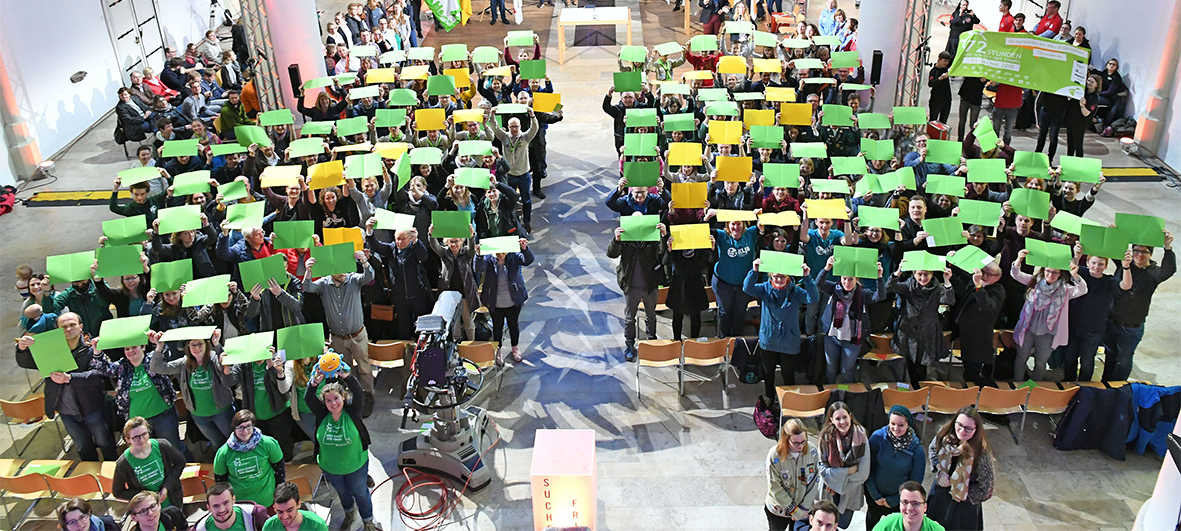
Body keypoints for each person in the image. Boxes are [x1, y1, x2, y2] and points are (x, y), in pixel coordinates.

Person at [15, 313, 116, 461]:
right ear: (58, 330)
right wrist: (22, 349)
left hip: (93, 407)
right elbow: (27, 362)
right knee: (82, 446)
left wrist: (70, 378)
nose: (69, 329)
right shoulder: (50, 349)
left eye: (72, 325)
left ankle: (113, 470)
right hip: (66, 410)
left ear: (80, 327)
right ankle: (89, 476)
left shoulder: (92, 348)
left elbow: (98, 375)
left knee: (105, 442)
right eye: (64, 327)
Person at [90, 333, 189, 459]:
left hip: (163, 416)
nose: (131, 351)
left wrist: (158, 343)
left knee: (173, 448)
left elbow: (165, 354)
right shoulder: (122, 366)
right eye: (127, 349)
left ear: (143, 347)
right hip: (138, 422)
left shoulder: (152, 359)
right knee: (148, 452)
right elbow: (104, 368)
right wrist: (97, 351)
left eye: (134, 347)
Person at [305, 364, 380, 531]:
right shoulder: (323, 414)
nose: (333, 403)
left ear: (344, 397)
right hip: (331, 467)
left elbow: (359, 393)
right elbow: (309, 399)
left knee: (360, 493)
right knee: (343, 493)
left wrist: (346, 376)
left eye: (336, 398)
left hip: (356, 466)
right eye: (328, 400)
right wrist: (314, 383)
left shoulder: (352, 411)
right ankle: (349, 513)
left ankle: (368, 521)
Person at [302, 249, 377, 414]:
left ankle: (368, 395)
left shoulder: (353, 280)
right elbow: (307, 287)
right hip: (337, 338)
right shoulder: (324, 283)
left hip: (357, 334)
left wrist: (364, 262)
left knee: (364, 367)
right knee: (344, 370)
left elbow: (369, 276)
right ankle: (349, 397)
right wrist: (308, 270)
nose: (342, 273)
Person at [744, 257, 817, 404]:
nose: (779, 279)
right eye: (776, 276)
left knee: (788, 373)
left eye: (783, 276)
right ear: (771, 276)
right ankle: (769, 396)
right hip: (768, 340)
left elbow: (813, 297)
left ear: (788, 277)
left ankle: (789, 399)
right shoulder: (764, 288)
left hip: (789, 342)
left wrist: (807, 277)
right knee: (768, 372)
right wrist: (754, 271)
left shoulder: (795, 292)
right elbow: (747, 288)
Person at [1104, 232, 1175, 381]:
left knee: (1123, 361)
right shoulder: (1125, 265)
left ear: (1150, 254)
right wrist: (1114, 233)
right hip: (1111, 321)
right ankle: (1106, 386)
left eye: (1144, 252)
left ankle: (1119, 388)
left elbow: (1169, 270)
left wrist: (1167, 248)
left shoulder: (1153, 273)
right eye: (1136, 250)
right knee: (1109, 356)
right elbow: (1111, 249)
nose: (1139, 255)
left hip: (1131, 327)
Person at [150, 329, 235, 450]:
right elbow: (157, 367)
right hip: (199, 415)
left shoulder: (213, 358)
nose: (197, 348)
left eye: (200, 344)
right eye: (193, 345)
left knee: (234, 440)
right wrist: (159, 347)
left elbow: (224, 364)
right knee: (218, 443)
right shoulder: (185, 363)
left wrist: (217, 344)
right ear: (188, 347)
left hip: (222, 412)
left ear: (206, 344)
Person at [1010, 249, 1087, 381]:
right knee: (1021, 358)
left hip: (1048, 332)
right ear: (1043, 271)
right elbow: (1016, 274)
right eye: (1048, 271)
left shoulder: (1065, 290)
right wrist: (1018, 260)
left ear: (1060, 274)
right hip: (1028, 328)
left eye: (1055, 272)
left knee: (1040, 362)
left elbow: (1083, 290)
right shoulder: (1034, 282)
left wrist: (1075, 275)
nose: (1051, 275)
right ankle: (1017, 385)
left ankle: (1033, 388)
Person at [817, 257, 886, 383]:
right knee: (831, 368)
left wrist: (880, 277)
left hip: (852, 340)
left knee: (846, 370)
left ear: (857, 280)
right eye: (844, 279)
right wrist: (827, 268)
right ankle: (831, 393)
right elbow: (819, 283)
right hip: (832, 338)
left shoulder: (863, 294)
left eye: (850, 279)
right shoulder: (834, 289)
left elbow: (880, 296)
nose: (847, 282)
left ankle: (845, 394)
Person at [608, 216, 667, 362]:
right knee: (629, 318)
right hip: (631, 285)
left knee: (651, 315)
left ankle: (651, 340)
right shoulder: (625, 239)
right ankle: (629, 344)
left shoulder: (651, 238)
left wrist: (664, 236)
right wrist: (616, 240)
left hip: (650, 284)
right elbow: (611, 253)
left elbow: (662, 254)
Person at [888, 260, 955, 386]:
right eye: (919, 274)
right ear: (914, 274)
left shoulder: (937, 288)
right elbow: (890, 287)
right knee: (910, 359)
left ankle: (920, 388)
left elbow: (949, 300)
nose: (923, 278)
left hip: (928, 329)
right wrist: (898, 272)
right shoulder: (908, 286)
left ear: (931, 275)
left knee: (924, 361)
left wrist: (947, 282)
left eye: (926, 275)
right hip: (909, 328)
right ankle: (913, 386)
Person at [927, 407, 994, 531]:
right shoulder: (945, 435)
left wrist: (961, 490)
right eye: (960, 425)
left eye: (968, 428)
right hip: (940, 495)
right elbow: (933, 450)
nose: (962, 431)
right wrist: (940, 472)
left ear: (976, 429)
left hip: (963, 504)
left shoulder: (981, 452)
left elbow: (986, 489)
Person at [475, 237, 535, 366]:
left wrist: (525, 249)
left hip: (513, 299)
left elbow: (528, 260)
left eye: (503, 252)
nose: (500, 255)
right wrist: (478, 255)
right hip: (495, 301)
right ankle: (499, 350)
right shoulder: (489, 259)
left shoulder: (514, 256)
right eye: (498, 253)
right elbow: (478, 268)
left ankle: (515, 348)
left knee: (513, 325)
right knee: (497, 327)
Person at [865, 406, 927, 530]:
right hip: (875, 497)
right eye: (892, 424)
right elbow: (868, 468)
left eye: (901, 425)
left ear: (908, 425)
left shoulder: (916, 449)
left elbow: (915, 481)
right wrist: (875, 496)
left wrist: (895, 500)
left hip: (899, 501)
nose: (895, 428)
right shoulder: (877, 438)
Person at [214, 410, 286, 507]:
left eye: (248, 426)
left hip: (267, 501)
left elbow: (280, 470)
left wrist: (279, 496)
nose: (245, 431)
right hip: (240, 505)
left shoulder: (268, 443)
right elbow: (221, 482)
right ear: (234, 428)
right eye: (240, 428)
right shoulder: (224, 453)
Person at [817, 402, 870, 529]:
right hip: (828, 491)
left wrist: (837, 483)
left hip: (851, 490)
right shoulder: (825, 438)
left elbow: (863, 473)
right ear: (831, 420)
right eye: (837, 418)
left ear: (850, 416)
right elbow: (822, 470)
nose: (842, 422)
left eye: (845, 417)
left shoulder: (861, 437)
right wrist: (849, 471)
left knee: (843, 524)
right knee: (826, 525)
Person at [951, 262, 1005, 385]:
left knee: (973, 370)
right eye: (983, 272)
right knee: (966, 364)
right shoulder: (976, 282)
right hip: (966, 331)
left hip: (980, 336)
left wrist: (979, 286)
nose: (984, 276)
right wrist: (951, 272)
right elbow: (962, 291)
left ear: (997, 278)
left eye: (989, 274)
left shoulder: (998, 290)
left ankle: (973, 395)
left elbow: (988, 307)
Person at [112, 417, 185, 508]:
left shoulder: (162, 445)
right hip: (147, 509)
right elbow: (118, 492)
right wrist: (145, 496)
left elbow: (180, 462)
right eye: (136, 437)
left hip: (173, 500)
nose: (142, 440)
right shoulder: (123, 463)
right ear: (127, 439)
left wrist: (166, 486)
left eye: (144, 434)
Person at [765, 418, 821, 531]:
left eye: (804, 441)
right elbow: (775, 487)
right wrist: (794, 510)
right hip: (779, 511)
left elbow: (816, 480)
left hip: (804, 509)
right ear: (786, 439)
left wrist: (804, 508)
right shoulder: (774, 456)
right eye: (796, 443)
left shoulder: (812, 451)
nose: (801, 446)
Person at [714, 220, 761, 337]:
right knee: (725, 313)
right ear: (727, 225)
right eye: (733, 224)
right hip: (723, 283)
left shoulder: (751, 233)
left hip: (744, 284)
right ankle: (724, 341)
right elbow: (702, 231)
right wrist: (707, 217)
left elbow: (768, 227)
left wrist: (759, 217)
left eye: (739, 224)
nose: (736, 227)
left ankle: (736, 342)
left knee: (739, 313)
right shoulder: (722, 235)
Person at [194, 482, 270, 531]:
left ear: (233, 500)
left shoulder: (256, 516)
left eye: (226, 503)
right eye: (216, 506)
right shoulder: (199, 528)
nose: (221, 510)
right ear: (208, 508)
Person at [871, 481, 946, 531]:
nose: (909, 508)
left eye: (915, 503)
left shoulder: (937, 529)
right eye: (905, 502)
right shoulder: (886, 525)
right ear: (900, 505)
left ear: (925, 507)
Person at [265, 481, 330, 531]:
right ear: (274, 508)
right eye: (280, 512)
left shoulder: (317, 526)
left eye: (290, 510)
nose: (285, 517)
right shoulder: (269, 526)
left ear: (299, 503)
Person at [1096, 59, 1128, 134]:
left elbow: (1110, 92)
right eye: (1110, 64)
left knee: (1094, 98)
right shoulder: (1104, 73)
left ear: (1116, 67)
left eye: (1114, 64)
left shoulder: (1116, 77)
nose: (1111, 65)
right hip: (1103, 95)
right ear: (1107, 65)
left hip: (1111, 98)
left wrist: (1097, 94)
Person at [927, 52, 952, 125]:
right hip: (936, 100)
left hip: (946, 99)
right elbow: (930, 83)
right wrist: (940, 78)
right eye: (944, 61)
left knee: (943, 122)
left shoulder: (946, 69)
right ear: (939, 59)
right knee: (933, 121)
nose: (946, 63)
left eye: (948, 61)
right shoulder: (933, 71)